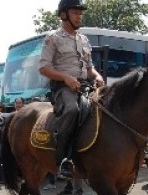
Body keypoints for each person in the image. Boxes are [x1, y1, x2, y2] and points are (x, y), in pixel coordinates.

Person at [39, 0, 104, 179]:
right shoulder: (53, 37)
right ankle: (63, 160)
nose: (79, 16)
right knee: (72, 110)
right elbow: (43, 68)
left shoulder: (84, 39)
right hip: (63, 88)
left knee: (107, 107)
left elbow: (90, 68)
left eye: (80, 13)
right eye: (75, 12)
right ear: (63, 15)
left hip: (85, 85)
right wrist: (66, 78)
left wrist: (97, 77)